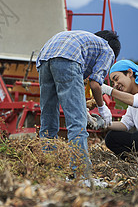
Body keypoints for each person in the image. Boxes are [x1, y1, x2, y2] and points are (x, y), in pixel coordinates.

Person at [36, 30, 121, 176]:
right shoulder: (108, 49)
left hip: (44, 57)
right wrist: (102, 107)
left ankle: (47, 167)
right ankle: (81, 173)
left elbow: (75, 90)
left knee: (48, 118)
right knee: (77, 123)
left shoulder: (86, 42)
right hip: (67, 58)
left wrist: (84, 111)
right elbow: (95, 84)